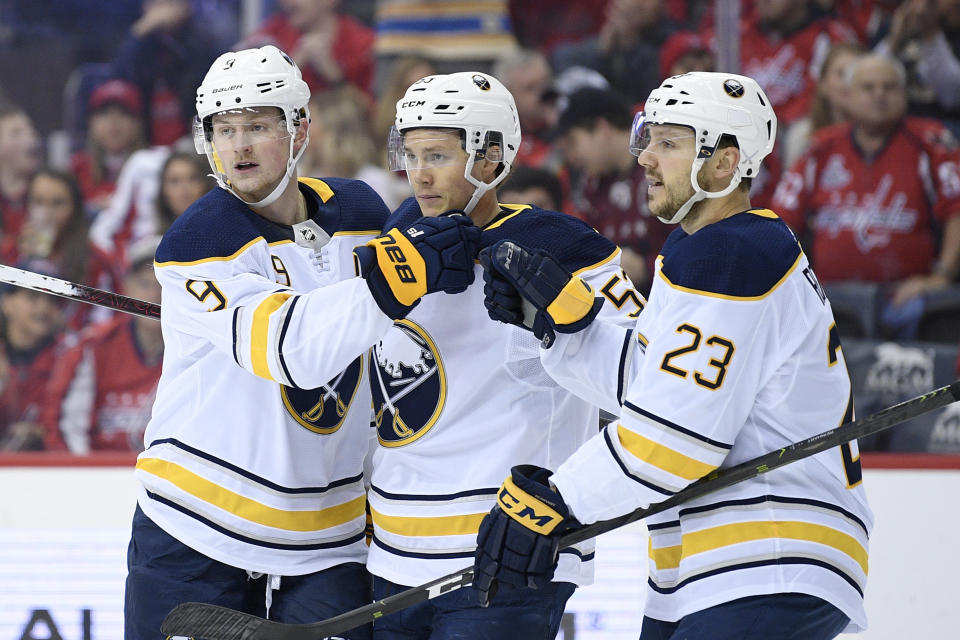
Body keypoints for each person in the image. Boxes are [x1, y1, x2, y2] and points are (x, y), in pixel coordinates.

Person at [474, 71, 873, 639]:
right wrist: (560, 327)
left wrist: (559, 500)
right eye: (647, 138)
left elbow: (675, 438)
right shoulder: (706, 249)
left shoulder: (733, 255)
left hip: (767, 552)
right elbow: (655, 387)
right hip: (713, 561)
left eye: (669, 143)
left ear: (724, 163)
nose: (645, 159)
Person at [124, 45, 481, 640]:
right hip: (196, 527)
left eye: (258, 126)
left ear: (299, 131)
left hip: (327, 537)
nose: (238, 145)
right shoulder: (198, 240)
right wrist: (391, 284)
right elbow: (292, 354)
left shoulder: (361, 213)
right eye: (224, 128)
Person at [365, 71, 642, 640]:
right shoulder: (397, 238)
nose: (418, 173)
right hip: (393, 556)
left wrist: (567, 320)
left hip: (506, 550)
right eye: (411, 154)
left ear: (491, 159)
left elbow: (648, 378)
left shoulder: (567, 246)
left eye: (437, 154)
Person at [773, 53, 960, 338]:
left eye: (889, 87)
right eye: (868, 88)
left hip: (908, 297)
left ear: (904, 94)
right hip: (832, 297)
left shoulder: (932, 142)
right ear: (847, 96)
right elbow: (780, 223)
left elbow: (957, 210)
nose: (879, 96)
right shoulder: (819, 149)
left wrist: (942, 276)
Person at [42, 237, 164, 454]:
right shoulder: (95, 346)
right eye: (144, 284)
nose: (154, 296)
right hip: (98, 476)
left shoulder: (200, 350)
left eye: (163, 286)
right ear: (127, 287)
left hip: (168, 478)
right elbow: (64, 426)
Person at [557, 86, 673, 293]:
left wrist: (647, 268)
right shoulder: (591, 189)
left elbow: (699, 246)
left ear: (602, 128)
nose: (571, 158)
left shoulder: (664, 168)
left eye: (573, 142)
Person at [13, 169, 122, 332]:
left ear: (75, 209)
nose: (46, 213)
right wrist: (24, 264)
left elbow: (107, 323)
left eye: (58, 203)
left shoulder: (96, 260)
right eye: (38, 202)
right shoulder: (15, 252)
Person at [0, 258, 66, 451]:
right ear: (7, 303)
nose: (43, 307)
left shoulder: (72, 355)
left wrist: (41, 433)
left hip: (50, 469)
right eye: (32, 296)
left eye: (52, 299)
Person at [69, 78, 148, 215]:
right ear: (91, 122)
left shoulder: (151, 166)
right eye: (104, 113)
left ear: (137, 123)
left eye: (123, 113)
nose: (113, 121)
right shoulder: (77, 168)